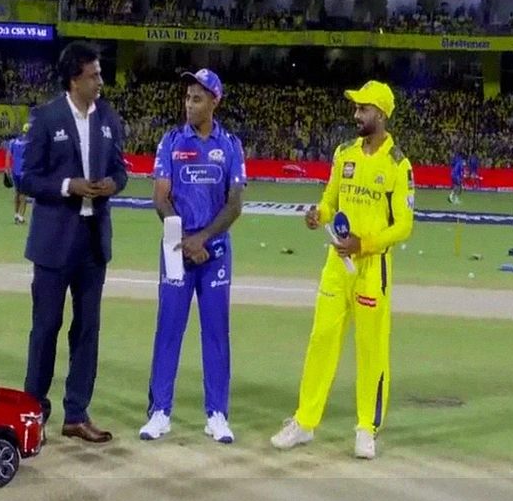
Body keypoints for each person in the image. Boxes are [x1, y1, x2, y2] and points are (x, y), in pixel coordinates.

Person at [271, 80, 415, 459]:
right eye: (356, 108)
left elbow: (404, 225)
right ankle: (305, 422)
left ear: (380, 113)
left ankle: (367, 428)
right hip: (336, 265)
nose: (356, 115)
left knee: (371, 350)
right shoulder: (344, 153)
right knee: (321, 339)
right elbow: (330, 199)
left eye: (363, 109)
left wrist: (364, 244)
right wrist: (318, 214)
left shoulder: (398, 164)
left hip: (372, 268)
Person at [19, 43, 128, 443]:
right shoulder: (46, 118)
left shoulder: (109, 118)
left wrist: (113, 184)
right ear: (74, 79)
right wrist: (69, 186)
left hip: (93, 241)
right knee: (46, 328)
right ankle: (33, 413)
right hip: (54, 243)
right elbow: (27, 177)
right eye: (94, 75)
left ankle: (76, 414)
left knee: (87, 330)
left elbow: (121, 170)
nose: (100, 81)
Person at [140, 69, 247, 444]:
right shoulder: (171, 141)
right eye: (187, 98)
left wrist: (202, 239)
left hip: (214, 250)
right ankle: (159, 412)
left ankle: (217, 414)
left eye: (197, 99)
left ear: (215, 101)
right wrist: (184, 239)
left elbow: (234, 205)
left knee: (216, 333)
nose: (189, 104)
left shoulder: (230, 145)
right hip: (176, 246)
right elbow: (160, 197)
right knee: (168, 329)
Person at [4, 122, 31, 224]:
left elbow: (8, 155)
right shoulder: (30, 143)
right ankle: (21, 216)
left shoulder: (13, 142)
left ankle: (15, 214)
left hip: (15, 171)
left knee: (17, 192)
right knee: (24, 195)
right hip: (25, 171)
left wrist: (7, 168)